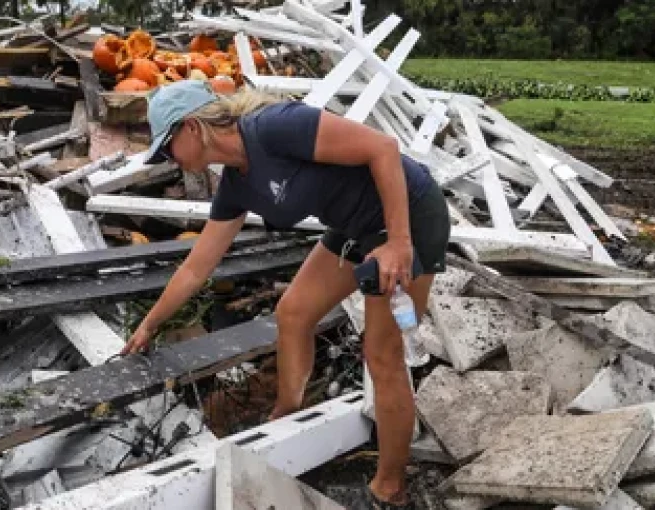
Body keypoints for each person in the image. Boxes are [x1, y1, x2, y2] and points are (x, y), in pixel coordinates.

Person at [119, 79, 450, 509]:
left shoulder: (275, 127)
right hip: (354, 227)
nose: (169, 160)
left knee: (382, 354)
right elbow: (197, 267)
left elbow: (383, 148)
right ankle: (286, 419)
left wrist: (400, 243)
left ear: (191, 128)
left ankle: (390, 490)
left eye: (167, 149)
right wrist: (149, 325)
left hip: (409, 213)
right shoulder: (236, 186)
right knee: (293, 312)